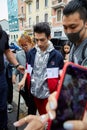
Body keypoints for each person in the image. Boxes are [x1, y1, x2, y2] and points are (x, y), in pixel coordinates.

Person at [13, 0, 87, 129]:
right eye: (64, 27)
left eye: (73, 27)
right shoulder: (74, 44)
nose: (68, 32)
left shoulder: (58, 54)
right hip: (41, 94)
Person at [18, 22, 64, 115]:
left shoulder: (57, 56)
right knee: (32, 117)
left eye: (42, 40)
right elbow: (28, 68)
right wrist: (23, 80)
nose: (39, 43)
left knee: (46, 120)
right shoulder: (31, 53)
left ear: (49, 37)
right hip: (33, 92)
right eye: (36, 40)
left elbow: (61, 78)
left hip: (48, 96)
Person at [0, 25, 25, 130]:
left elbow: (7, 52)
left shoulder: (3, 34)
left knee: (2, 105)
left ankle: (3, 126)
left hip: (0, 75)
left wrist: (17, 65)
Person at [12, 34, 37, 115]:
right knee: (27, 100)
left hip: (33, 82)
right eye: (22, 45)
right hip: (23, 82)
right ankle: (29, 107)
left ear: (30, 43)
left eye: (25, 45)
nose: (24, 47)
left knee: (32, 104)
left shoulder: (36, 53)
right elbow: (16, 67)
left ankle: (31, 113)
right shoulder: (19, 54)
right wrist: (14, 75)